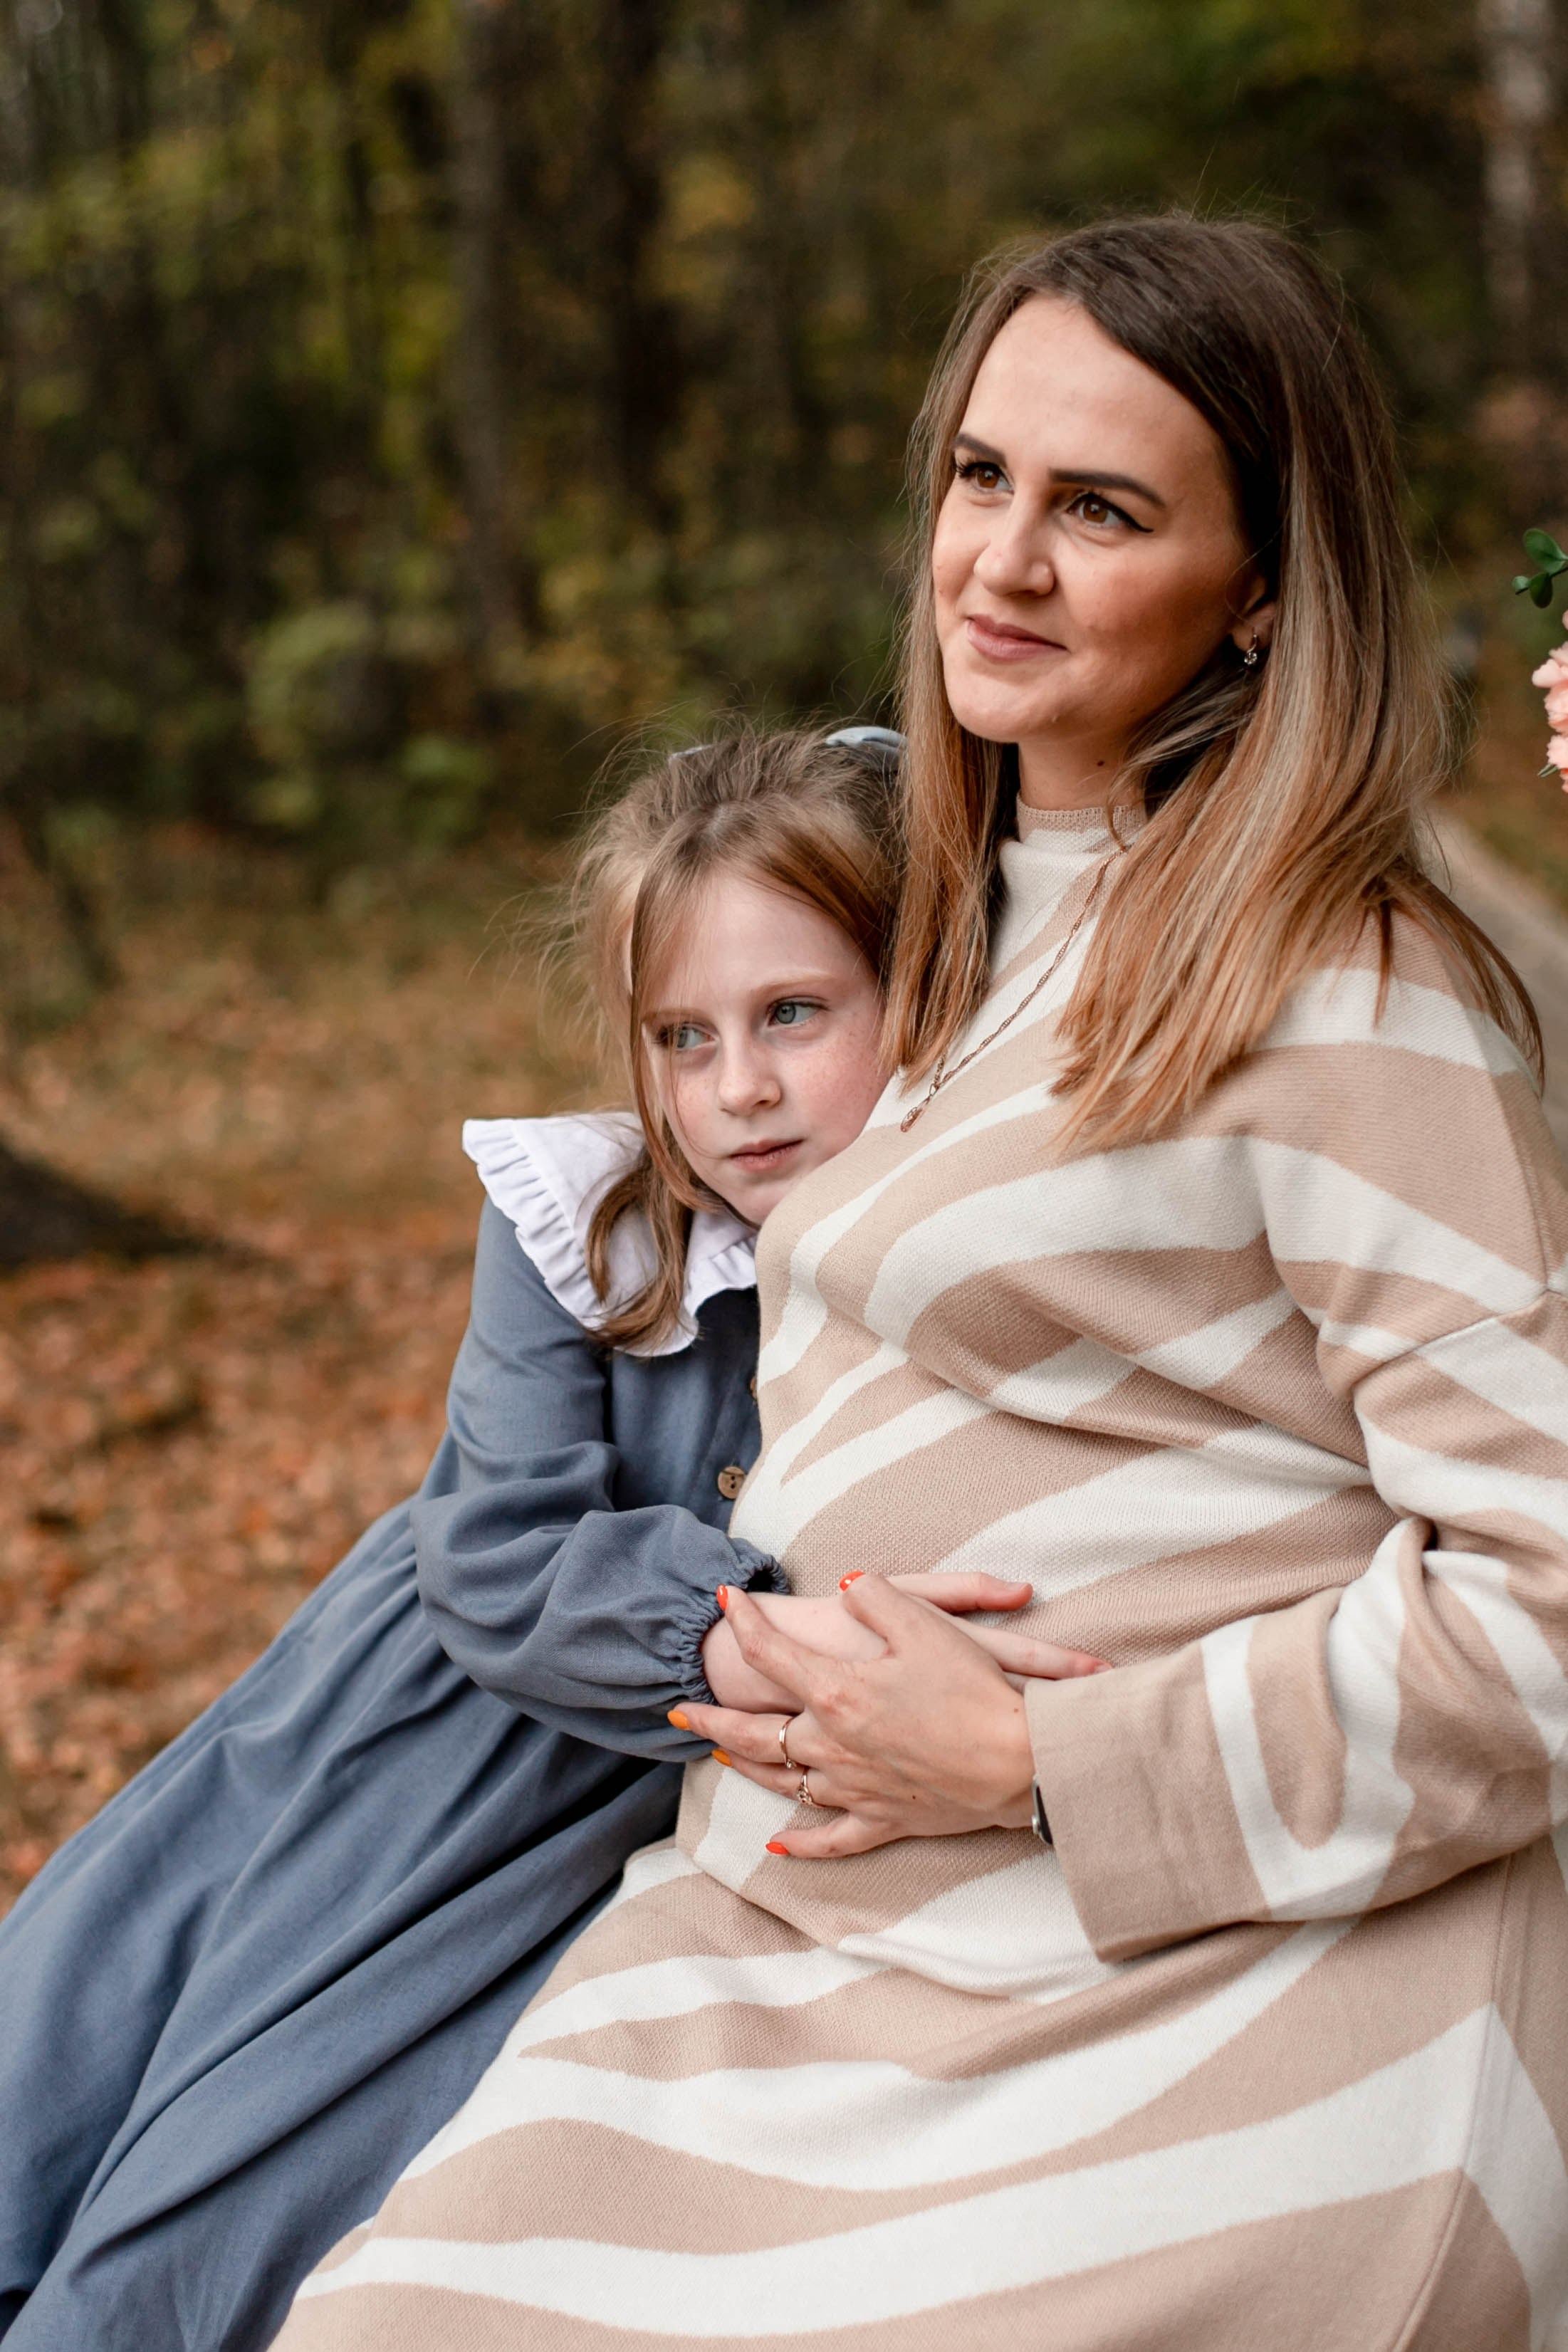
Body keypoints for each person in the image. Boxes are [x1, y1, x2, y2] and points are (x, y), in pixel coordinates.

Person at [277, 217, 1568, 2352]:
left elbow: (1547, 1606)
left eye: (1101, 510)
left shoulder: (1349, 987)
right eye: (981, 477)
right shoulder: (955, 937)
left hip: (1195, 2016)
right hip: (800, 1962)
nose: (1001, 564)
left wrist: (1046, 1765)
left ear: (1262, 587)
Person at [0, 726, 1097, 2352]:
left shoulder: (957, 1242)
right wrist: (759, 1636)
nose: (739, 1085)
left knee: (368, 2190)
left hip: (632, 1844)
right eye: (684, 1034)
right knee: (174, 2110)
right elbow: (500, 1557)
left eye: (795, 1013)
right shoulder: (588, 1226)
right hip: (424, 1760)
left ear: (921, 987)